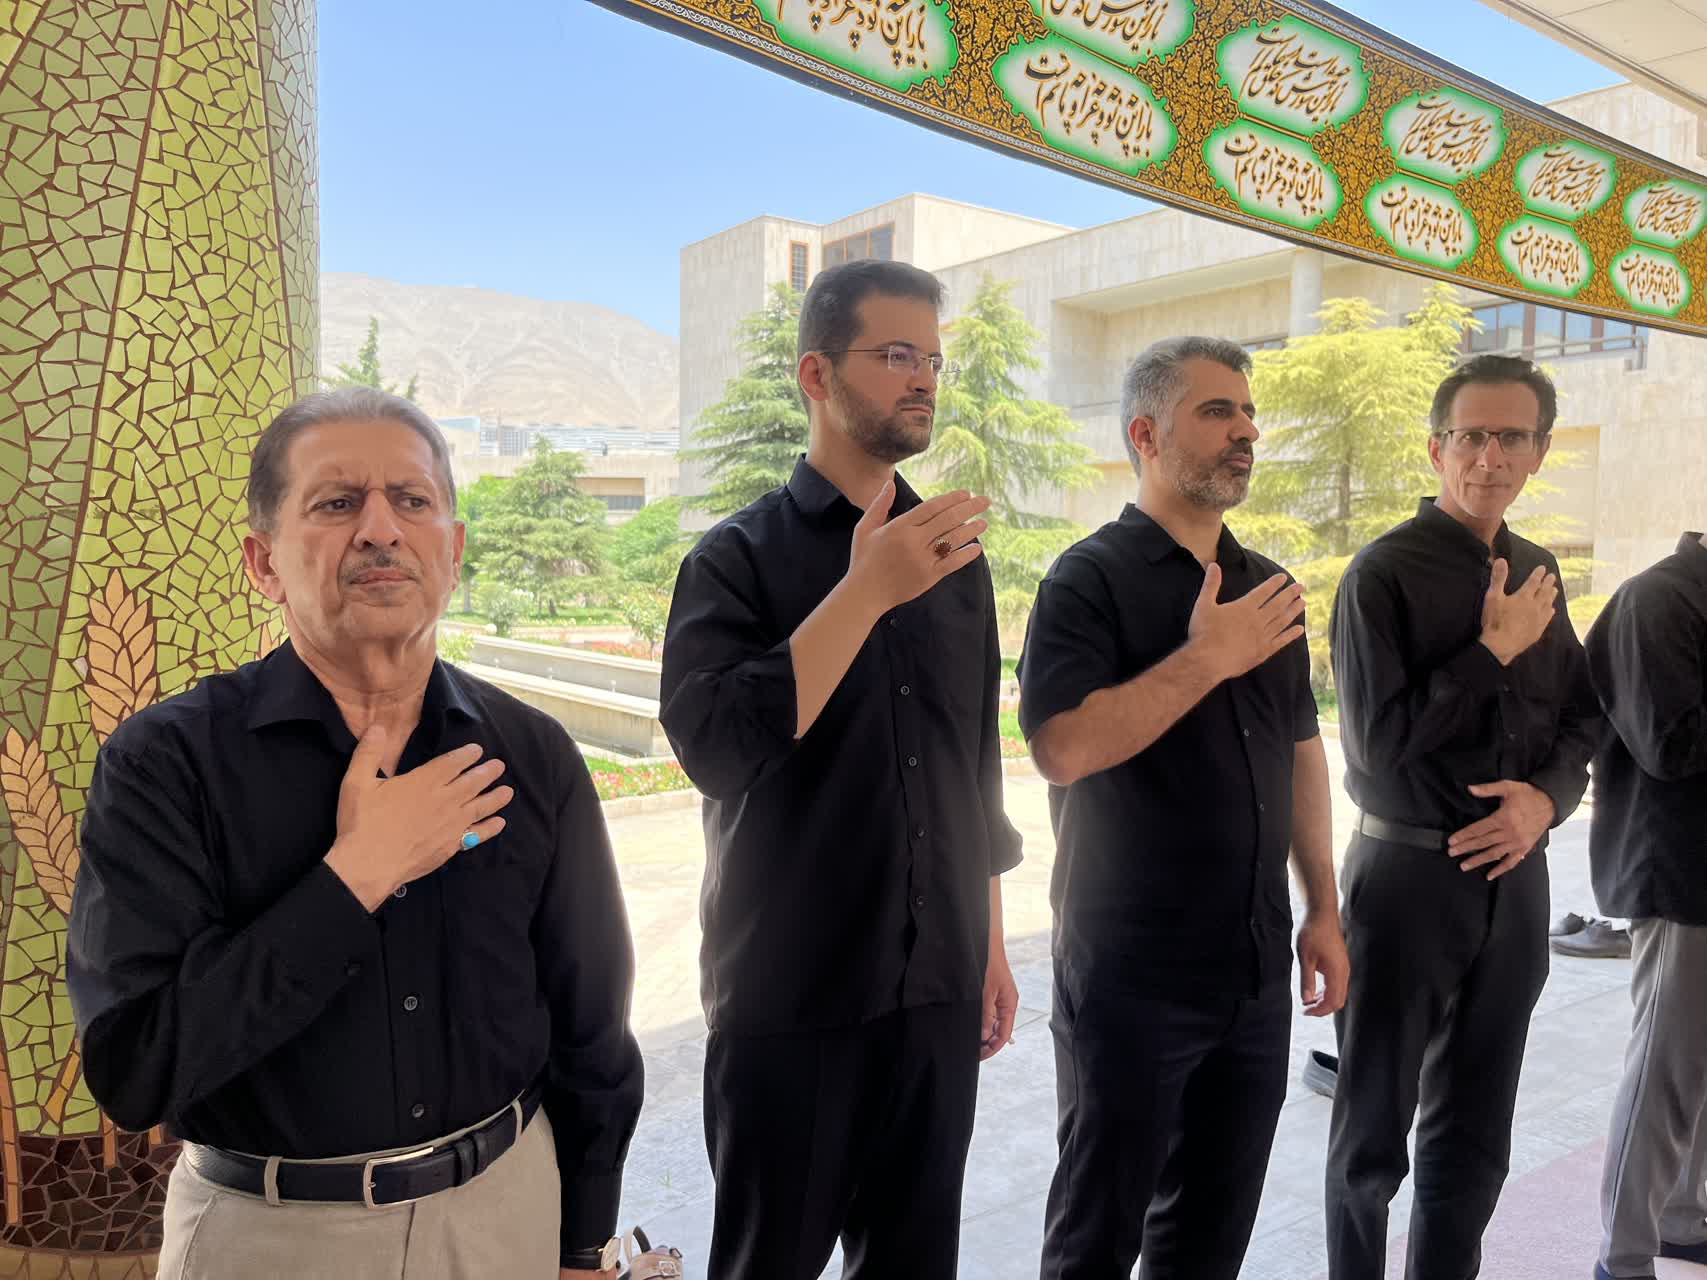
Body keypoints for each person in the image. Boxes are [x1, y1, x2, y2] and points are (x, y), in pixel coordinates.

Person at [68, 388, 644, 1280]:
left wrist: (583, 1242)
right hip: (269, 1238)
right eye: (337, 503)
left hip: (506, 1215)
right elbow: (138, 1071)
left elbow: (591, 1024)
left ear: (453, 549)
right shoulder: (166, 764)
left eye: (411, 500)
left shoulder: (529, 753)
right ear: (263, 561)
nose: (380, 529)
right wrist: (353, 880)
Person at [659, 257, 1022, 1280]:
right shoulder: (735, 558)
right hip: (793, 997)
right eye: (896, 354)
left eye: (933, 361)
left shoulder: (957, 559)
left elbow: (974, 767)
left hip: (937, 987)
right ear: (816, 374)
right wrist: (863, 593)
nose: (923, 380)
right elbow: (716, 749)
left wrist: (989, 944)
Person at [1021, 336, 1347, 1279]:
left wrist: (1322, 908)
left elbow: (1299, 750)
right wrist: (1205, 659)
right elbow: (1061, 749)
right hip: (1130, 976)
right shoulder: (1085, 580)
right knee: (1094, 1238)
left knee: (1207, 1241)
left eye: (1247, 413)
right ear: (1144, 435)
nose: (1245, 432)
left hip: (1250, 972)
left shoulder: (1268, 587)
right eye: (1215, 412)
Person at [1324, 353, 1600, 1279]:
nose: (1489, 456)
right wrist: (1490, 652)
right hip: (1405, 879)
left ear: (1538, 451)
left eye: (1510, 437)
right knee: (1371, 1136)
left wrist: (1544, 802)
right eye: (1470, 435)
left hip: (1514, 879)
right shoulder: (1381, 574)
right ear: (1435, 447)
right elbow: (1376, 746)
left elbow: (1581, 716)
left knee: (1476, 1132)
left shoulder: (1537, 568)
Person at [1585, 533, 1707, 1280]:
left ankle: (1680, 1220)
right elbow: (1668, 743)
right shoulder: (1657, 600)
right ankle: (1622, 1257)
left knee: (1699, 1066)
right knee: (1666, 1067)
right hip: (1679, 873)